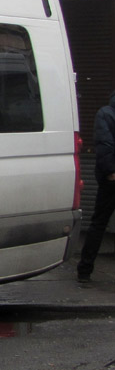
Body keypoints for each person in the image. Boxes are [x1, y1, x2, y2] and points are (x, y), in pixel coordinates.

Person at [78, 92, 115, 281]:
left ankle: (85, 269)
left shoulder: (106, 113)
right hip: (112, 179)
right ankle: (85, 268)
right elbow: (104, 144)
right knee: (99, 223)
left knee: (98, 223)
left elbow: (104, 143)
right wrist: (111, 171)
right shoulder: (107, 113)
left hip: (111, 178)